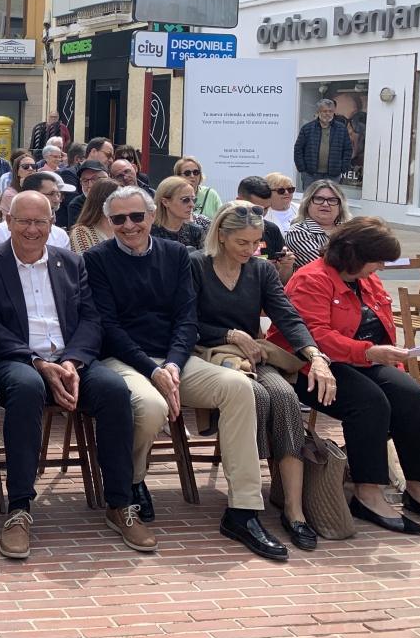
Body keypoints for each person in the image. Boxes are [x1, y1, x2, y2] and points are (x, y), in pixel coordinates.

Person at [85, 186, 286, 561]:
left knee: (239, 388)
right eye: (118, 219)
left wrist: (173, 364)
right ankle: (131, 481)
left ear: (151, 216)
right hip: (123, 359)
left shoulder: (176, 254)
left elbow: (186, 318)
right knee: (149, 408)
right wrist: (154, 369)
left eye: (136, 217)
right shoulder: (96, 259)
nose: (129, 225)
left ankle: (243, 509)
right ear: (109, 222)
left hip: (177, 358)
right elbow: (108, 327)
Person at [0, 191, 156, 559]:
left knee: (115, 390)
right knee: (25, 391)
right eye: (23, 220)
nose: (32, 229)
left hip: (72, 359)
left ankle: (120, 503)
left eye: (40, 221)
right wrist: (38, 363)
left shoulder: (71, 262)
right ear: (8, 221)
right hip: (16, 359)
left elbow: (91, 319)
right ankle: (19, 508)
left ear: (52, 223)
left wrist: (72, 361)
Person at [192, 202, 336, 551]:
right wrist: (230, 334)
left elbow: (287, 316)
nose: (251, 249)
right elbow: (184, 321)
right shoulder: (196, 265)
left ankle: (294, 509)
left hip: (253, 355)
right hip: (209, 353)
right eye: (243, 242)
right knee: (254, 396)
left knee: (286, 398)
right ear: (222, 237)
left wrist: (314, 356)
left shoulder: (260, 270)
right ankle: (246, 503)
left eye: (256, 242)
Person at [271, 217, 420, 536]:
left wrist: (389, 360)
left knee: (411, 396)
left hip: (363, 358)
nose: (381, 267)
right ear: (355, 255)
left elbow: (381, 328)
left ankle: (418, 486)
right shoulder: (311, 278)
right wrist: (369, 353)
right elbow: (313, 336)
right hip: (308, 366)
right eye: (378, 260)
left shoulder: (366, 280)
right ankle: (367, 493)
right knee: (369, 403)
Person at [0, 172, 72, 250]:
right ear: (32, 194)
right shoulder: (1, 232)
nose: (57, 199)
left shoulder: (60, 236)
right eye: (52, 194)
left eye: (58, 194)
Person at [236, 176, 296, 280]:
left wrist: (286, 267)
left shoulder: (272, 229)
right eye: (256, 209)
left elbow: (282, 283)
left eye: (266, 208)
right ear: (239, 201)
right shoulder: (224, 229)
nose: (261, 214)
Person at [285, 179, 351, 270]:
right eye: (319, 199)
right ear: (307, 203)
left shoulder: (349, 229)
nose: (325, 204)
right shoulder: (298, 231)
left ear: (340, 206)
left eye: (332, 200)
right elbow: (326, 266)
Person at [293, 98, 352, 190]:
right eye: (324, 111)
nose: (328, 114)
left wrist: (342, 168)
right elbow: (298, 149)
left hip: (333, 175)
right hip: (310, 174)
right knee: (310, 199)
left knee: (330, 199)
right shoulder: (307, 128)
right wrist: (302, 169)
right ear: (318, 111)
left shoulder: (341, 129)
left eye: (330, 111)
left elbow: (348, 150)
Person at [151, 176, 206, 250]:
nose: (192, 205)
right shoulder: (149, 232)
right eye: (185, 200)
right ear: (165, 202)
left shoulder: (196, 232)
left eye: (194, 199)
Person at [67, 179, 119, 255]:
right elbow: (86, 263)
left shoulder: (124, 227)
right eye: (118, 198)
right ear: (103, 201)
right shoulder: (81, 232)